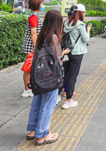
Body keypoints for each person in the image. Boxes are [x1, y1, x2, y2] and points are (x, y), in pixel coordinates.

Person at [26, 10, 70, 146]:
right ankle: (43, 135)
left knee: (37, 102)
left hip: (38, 75)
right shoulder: (53, 37)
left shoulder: (41, 35)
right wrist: (64, 53)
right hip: (50, 77)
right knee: (48, 105)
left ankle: (32, 131)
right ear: (57, 23)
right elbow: (57, 58)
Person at [59, 4, 91, 109]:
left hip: (67, 52)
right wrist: (88, 30)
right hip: (77, 53)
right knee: (73, 76)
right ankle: (68, 100)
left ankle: (57, 96)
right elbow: (86, 39)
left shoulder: (67, 23)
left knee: (65, 74)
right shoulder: (81, 25)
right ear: (81, 13)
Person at [21, 0, 44, 97]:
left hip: (32, 46)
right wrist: (36, 47)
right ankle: (26, 90)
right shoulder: (34, 17)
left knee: (31, 68)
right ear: (37, 5)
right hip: (32, 47)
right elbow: (33, 33)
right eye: (42, 3)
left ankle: (29, 88)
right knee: (28, 69)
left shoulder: (34, 16)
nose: (43, 5)